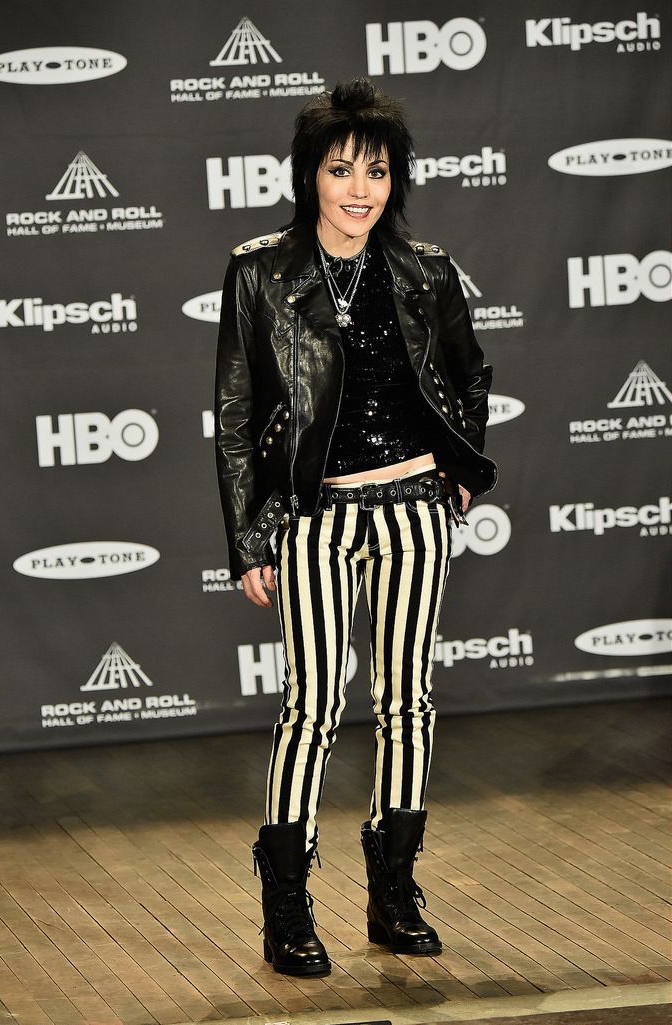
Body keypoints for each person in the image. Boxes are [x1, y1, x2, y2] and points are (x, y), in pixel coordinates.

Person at [214, 78, 497, 977]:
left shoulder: (426, 271)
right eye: (341, 169)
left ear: (394, 179)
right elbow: (235, 413)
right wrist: (249, 537)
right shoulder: (259, 272)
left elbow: (469, 375)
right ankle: (287, 905)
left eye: (376, 170)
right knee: (314, 705)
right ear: (310, 176)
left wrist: (456, 471)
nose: (359, 187)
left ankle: (391, 892)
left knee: (407, 700)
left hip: (413, 511)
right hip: (313, 516)